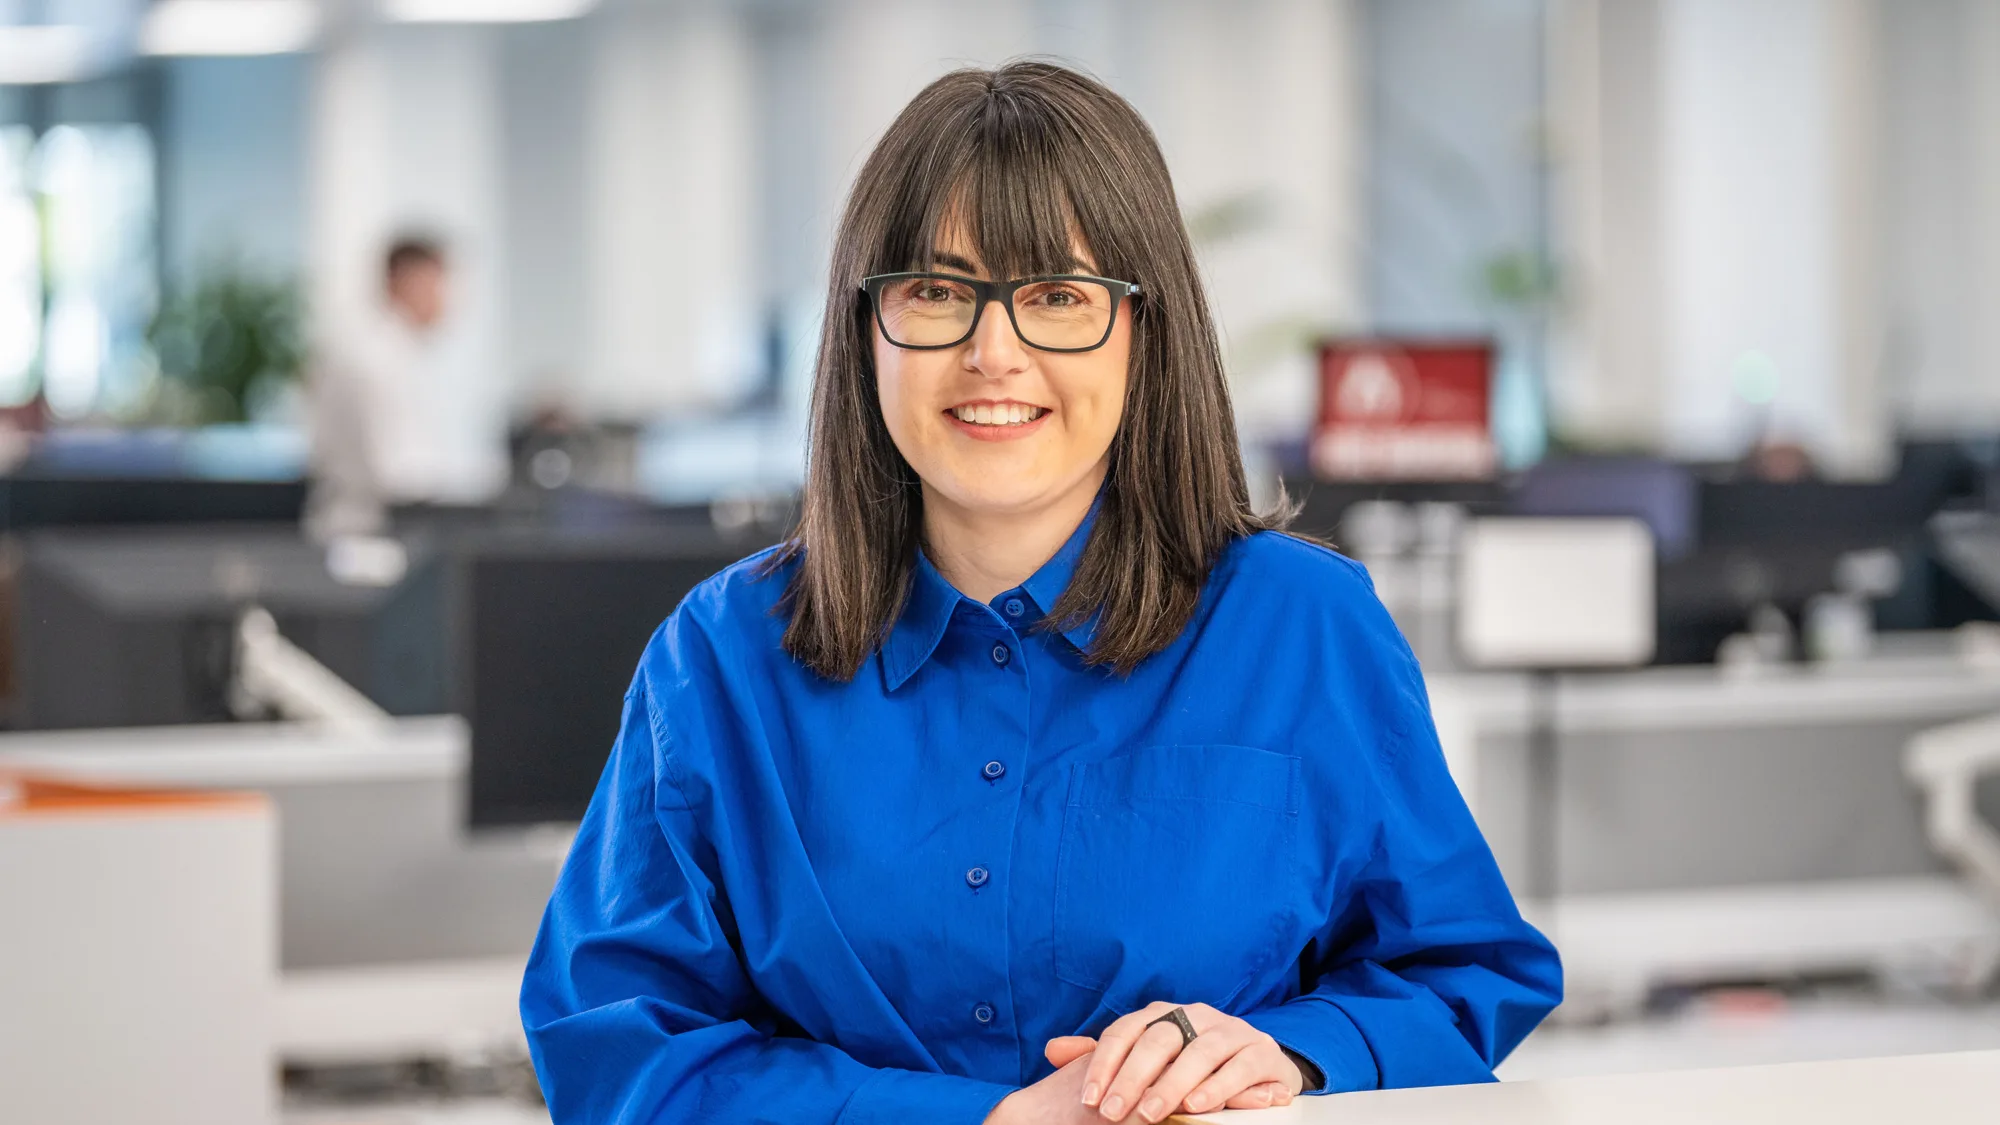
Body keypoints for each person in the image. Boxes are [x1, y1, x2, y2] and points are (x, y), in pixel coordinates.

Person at [520, 62, 1560, 1125]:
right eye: (934, 292)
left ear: (1142, 330)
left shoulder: (1301, 627)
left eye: (1056, 297)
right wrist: (983, 1121)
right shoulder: (722, 659)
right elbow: (613, 1050)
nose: (992, 353)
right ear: (863, 328)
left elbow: (1463, 974)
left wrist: (1291, 1054)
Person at [304, 235, 459, 539]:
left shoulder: (386, 349)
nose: (445, 301)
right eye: (438, 285)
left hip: (367, 525)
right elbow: (395, 471)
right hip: (368, 533)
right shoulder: (374, 358)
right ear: (407, 281)